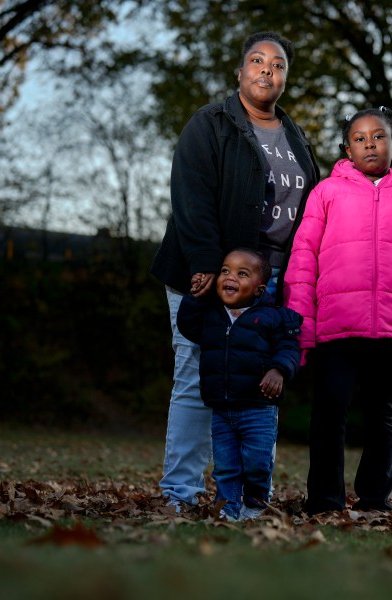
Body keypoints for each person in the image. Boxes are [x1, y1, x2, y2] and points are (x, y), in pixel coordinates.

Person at [150, 32, 320, 510]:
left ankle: (248, 497)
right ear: (240, 72)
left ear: (285, 77)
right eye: (257, 60)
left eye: (278, 64)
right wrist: (205, 264)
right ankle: (179, 494)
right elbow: (191, 197)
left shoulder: (296, 138)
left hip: (270, 285)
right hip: (210, 277)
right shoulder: (210, 124)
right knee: (194, 379)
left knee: (260, 386)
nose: (267, 69)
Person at [283, 106, 392, 515]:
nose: (369, 144)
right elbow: (303, 259)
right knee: (330, 413)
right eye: (359, 139)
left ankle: (375, 498)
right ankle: (324, 499)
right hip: (336, 327)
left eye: (378, 137)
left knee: (383, 417)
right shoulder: (326, 193)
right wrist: (299, 328)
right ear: (347, 148)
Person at [176, 248, 302, 521]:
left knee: (256, 462)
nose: (230, 277)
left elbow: (289, 349)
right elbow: (187, 325)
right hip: (222, 408)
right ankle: (229, 508)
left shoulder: (273, 318)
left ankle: (256, 503)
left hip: (258, 408)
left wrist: (278, 370)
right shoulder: (212, 315)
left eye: (241, 274)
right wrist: (195, 296)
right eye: (225, 270)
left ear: (258, 289)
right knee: (226, 465)